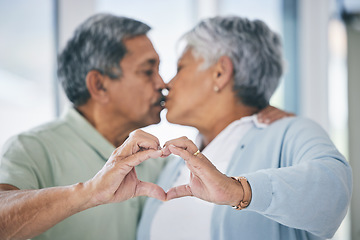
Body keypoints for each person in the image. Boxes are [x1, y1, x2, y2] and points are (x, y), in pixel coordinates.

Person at [0, 13, 289, 240]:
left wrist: (253, 107)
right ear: (99, 85)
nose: (163, 84)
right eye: (147, 70)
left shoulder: (156, 161)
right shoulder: (32, 148)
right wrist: (89, 192)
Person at [137, 16, 352, 240]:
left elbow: (333, 192)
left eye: (180, 67)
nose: (166, 84)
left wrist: (237, 191)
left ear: (220, 72)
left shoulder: (290, 130)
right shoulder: (176, 161)